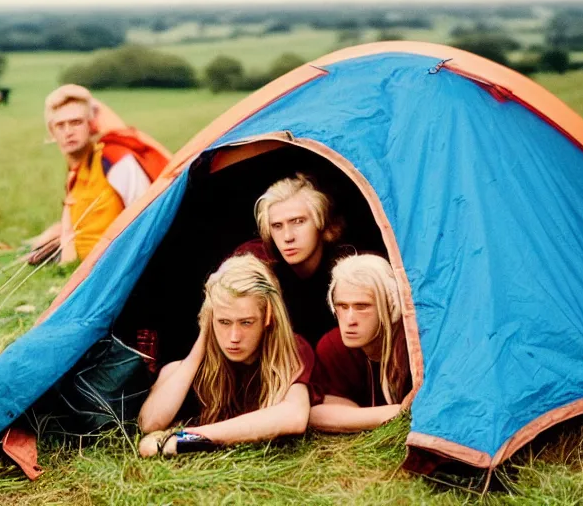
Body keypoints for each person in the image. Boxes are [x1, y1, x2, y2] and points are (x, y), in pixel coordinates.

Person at [137, 253, 317, 457]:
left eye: (246, 322)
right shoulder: (202, 357)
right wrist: (203, 339)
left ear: (268, 317)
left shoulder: (293, 348)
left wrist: (189, 439)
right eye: (224, 322)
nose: (233, 337)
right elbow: (150, 422)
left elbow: (294, 416)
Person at [29, 84, 169, 264]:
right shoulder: (75, 172)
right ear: (52, 131)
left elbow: (146, 216)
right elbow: (69, 231)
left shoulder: (115, 159)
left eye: (76, 122)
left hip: (119, 264)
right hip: (82, 267)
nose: (68, 132)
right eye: (60, 125)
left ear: (91, 125)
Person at [241, 174, 346, 347]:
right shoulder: (267, 282)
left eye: (298, 221)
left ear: (321, 222)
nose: (288, 237)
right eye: (277, 226)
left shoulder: (347, 275)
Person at [309, 254, 411, 432]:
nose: (350, 320)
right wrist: (397, 412)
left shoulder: (412, 347)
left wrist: (353, 418)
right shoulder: (333, 346)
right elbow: (316, 414)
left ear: (391, 306)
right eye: (342, 306)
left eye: (362, 306)